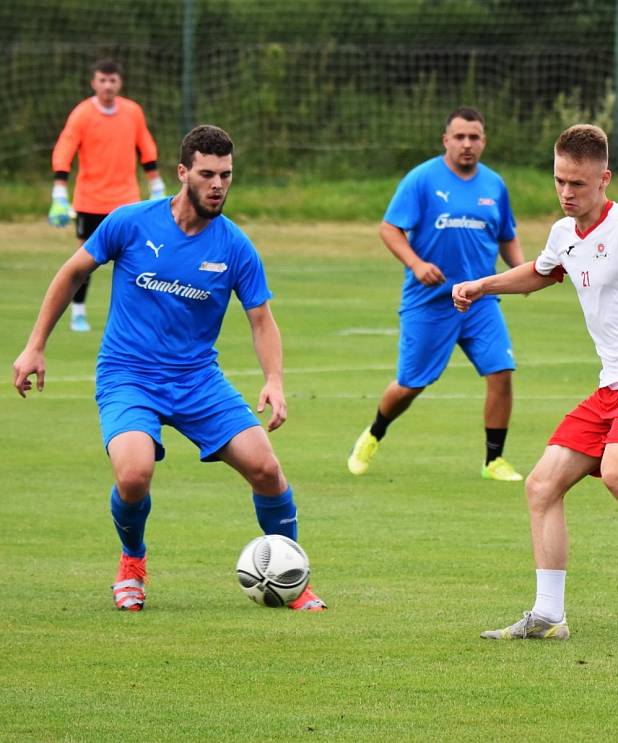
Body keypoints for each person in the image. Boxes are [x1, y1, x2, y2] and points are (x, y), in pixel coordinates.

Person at [13, 124, 326, 613]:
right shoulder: (131, 222)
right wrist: (35, 347)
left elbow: (262, 321)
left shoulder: (235, 246)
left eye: (226, 174)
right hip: (128, 375)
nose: (218, 184)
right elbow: (71, 272)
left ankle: (292, 574)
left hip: (198, 380)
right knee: (134, 474)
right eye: (207, 174)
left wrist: (275, 380)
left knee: (266, 469)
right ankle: (132, 563)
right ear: (183, 173)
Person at [453, 124, 618, 639]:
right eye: (559, 182)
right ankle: (549, 616)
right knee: (542, 484)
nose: (567, 193)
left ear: (604, 179)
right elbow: (543, 272)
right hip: (611, 384)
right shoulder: (563, 234)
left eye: (578, 184)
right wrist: (485, 285)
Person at [347, 106, 526, 482]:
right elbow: (390, 229)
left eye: (474, 137)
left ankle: (493, 460)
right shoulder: (422, 180)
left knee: (502, 371)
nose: (467, 144)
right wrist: (416, 264)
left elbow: (506, 235)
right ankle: (375, 432)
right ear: (446, 140)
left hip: (480, 299)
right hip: (430, 302)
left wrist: (522, 273)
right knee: (411, 384)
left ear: (484, 141)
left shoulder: (494, 185)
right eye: (459, 137)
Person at [49, 58, 165, 332]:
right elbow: (65, 150)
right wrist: (59, 193)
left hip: (127, 202)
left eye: (112, 80)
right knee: (84, 260)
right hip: (90, 200)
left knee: (138, 259)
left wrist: (156, 185)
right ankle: (77, 312)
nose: (107, 85)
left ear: (119, 83)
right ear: (94, 83)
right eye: (102, 80)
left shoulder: (132, 112)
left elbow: (146, 148)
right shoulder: (82, 114)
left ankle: (140, 316)